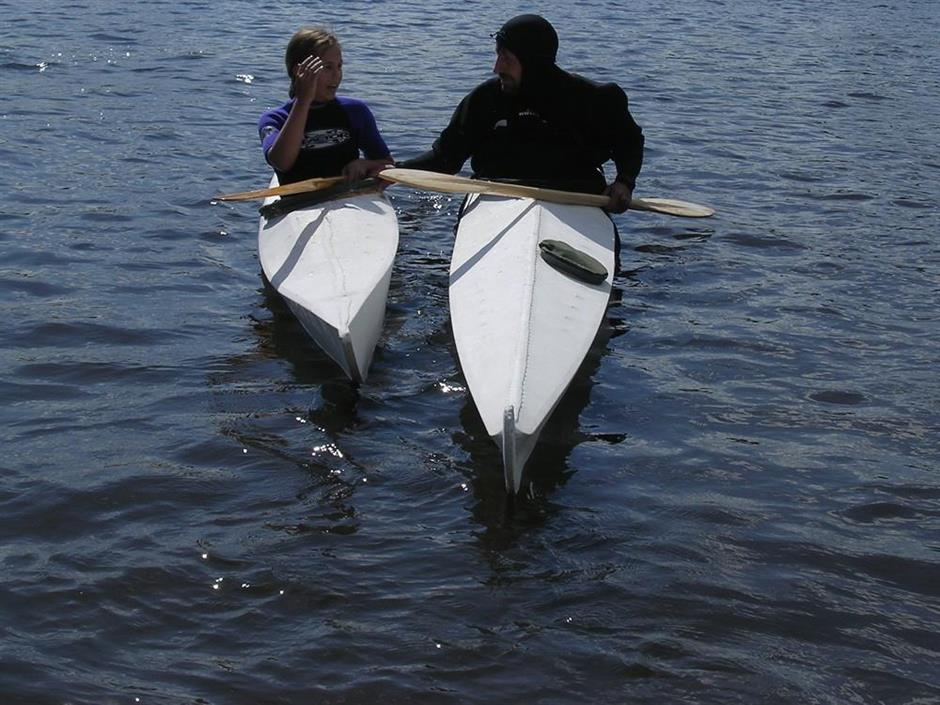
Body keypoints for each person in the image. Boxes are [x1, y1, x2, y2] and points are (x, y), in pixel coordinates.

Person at [401, 14, 644, 213]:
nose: (497, 68)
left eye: (506, 59)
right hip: (495, 194)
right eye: (498, 56)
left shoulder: (594, 99)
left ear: (532, 62)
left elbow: (629, 142)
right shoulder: (485, 99)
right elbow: (445, 158)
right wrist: (395, 171)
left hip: (577, 197)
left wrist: (624, 182)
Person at [258, 27, 393, 185]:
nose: (337, 75)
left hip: (350, 195)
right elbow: (281, 162)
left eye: (339, 66)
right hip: (300, 199)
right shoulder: (275, 119)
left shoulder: (355, 111)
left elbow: (388, 164)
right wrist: (303, 101)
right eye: (327, 67)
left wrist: (367, 164)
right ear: (299, 71)